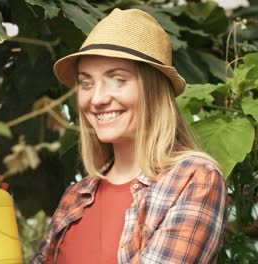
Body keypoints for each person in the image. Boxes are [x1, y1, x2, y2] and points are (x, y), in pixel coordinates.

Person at [31, 8, 228, 264]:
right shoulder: (76, 195)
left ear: (154, 90)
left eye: (116, 80)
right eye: (87, 83)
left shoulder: (194, 179)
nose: (97, 99)